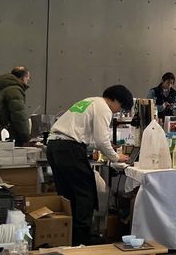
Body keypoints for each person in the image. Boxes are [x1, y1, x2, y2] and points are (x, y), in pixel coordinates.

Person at [46, 85, 133, 245]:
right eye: (120, 108)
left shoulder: (89, 101)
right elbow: (101, 140)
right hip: (69, 148)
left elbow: (86, 134)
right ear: (114, 100)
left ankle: (68, 235)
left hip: (54, 146)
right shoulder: (104, 108)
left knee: (67, 193)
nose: (117, 112)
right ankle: (83, 237)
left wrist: (97, 148)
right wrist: (115, 157)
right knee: (85, 192)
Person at [0, 67, 32, 145]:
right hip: (10, 135)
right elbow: (19, 115)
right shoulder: (14, 90)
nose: (28, 80)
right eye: (27, 77)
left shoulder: (0, 90)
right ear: (23, 77)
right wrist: (26, 137)